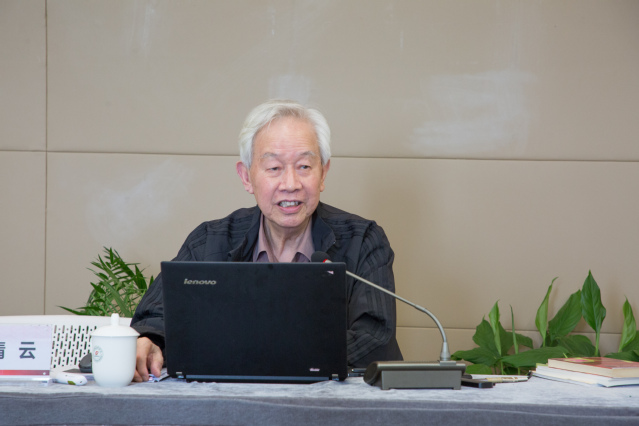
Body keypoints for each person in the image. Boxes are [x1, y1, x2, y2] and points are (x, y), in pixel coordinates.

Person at [130, 100, 403, 382]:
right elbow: (157, 315)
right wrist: (151, 339)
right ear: (246, 177)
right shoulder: (210, 241)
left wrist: (264, 353)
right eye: (274, 168)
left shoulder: (363, 240)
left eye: (304, 166)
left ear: (323, 173)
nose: (291, 184)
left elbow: (375, 338)